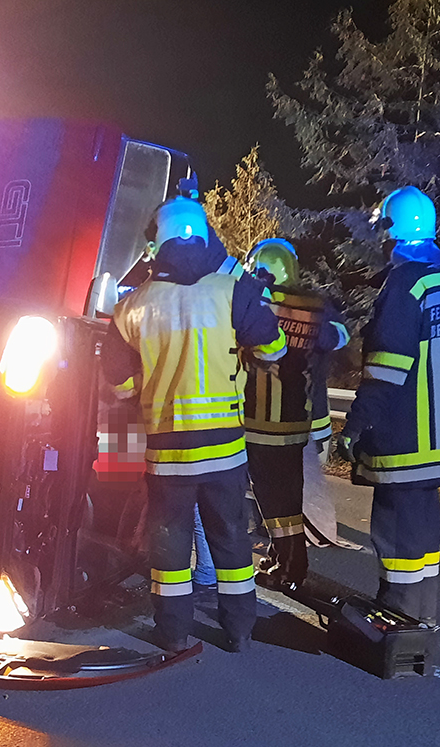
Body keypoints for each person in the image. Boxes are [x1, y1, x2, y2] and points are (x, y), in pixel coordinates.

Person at [102, 195, 287, 653]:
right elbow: (274, 348)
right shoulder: (232, 290)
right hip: (225, 448)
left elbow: (120, 386)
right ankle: (240, 630)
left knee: (169, 546)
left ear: (156, 243)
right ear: (205, 238)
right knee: (230, 542)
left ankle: (172, 632)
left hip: (167, 452)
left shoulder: (131, 308)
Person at [338, 186, 440, 626]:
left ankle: (396, 619)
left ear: (392, 235)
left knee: (394, 532)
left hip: (401, 437)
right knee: (422, 530)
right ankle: (421, 616)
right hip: (439, 437)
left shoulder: (403, 284)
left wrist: (355, 427)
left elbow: (386, 368)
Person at [243, 238, 349, 588]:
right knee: (288, 493)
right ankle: (284, 556)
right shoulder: (315, 305)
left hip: (261, 418)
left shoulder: (259, 304)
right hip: (297, 417)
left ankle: (290, 564)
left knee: (272, 496)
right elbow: (339, 337)